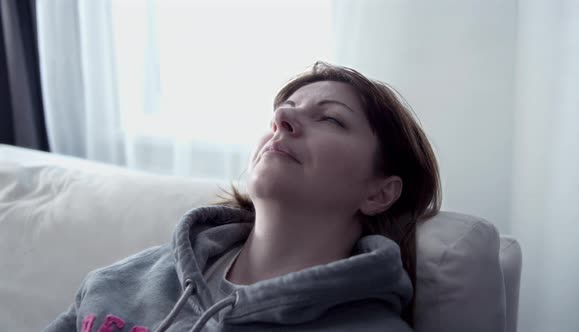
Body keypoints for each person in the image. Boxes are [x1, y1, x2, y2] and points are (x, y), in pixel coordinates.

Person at [44, 62, 441, 332]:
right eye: (282, 112)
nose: (282, 122)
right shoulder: (123, 280)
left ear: (379, 192)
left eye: (331, 118)